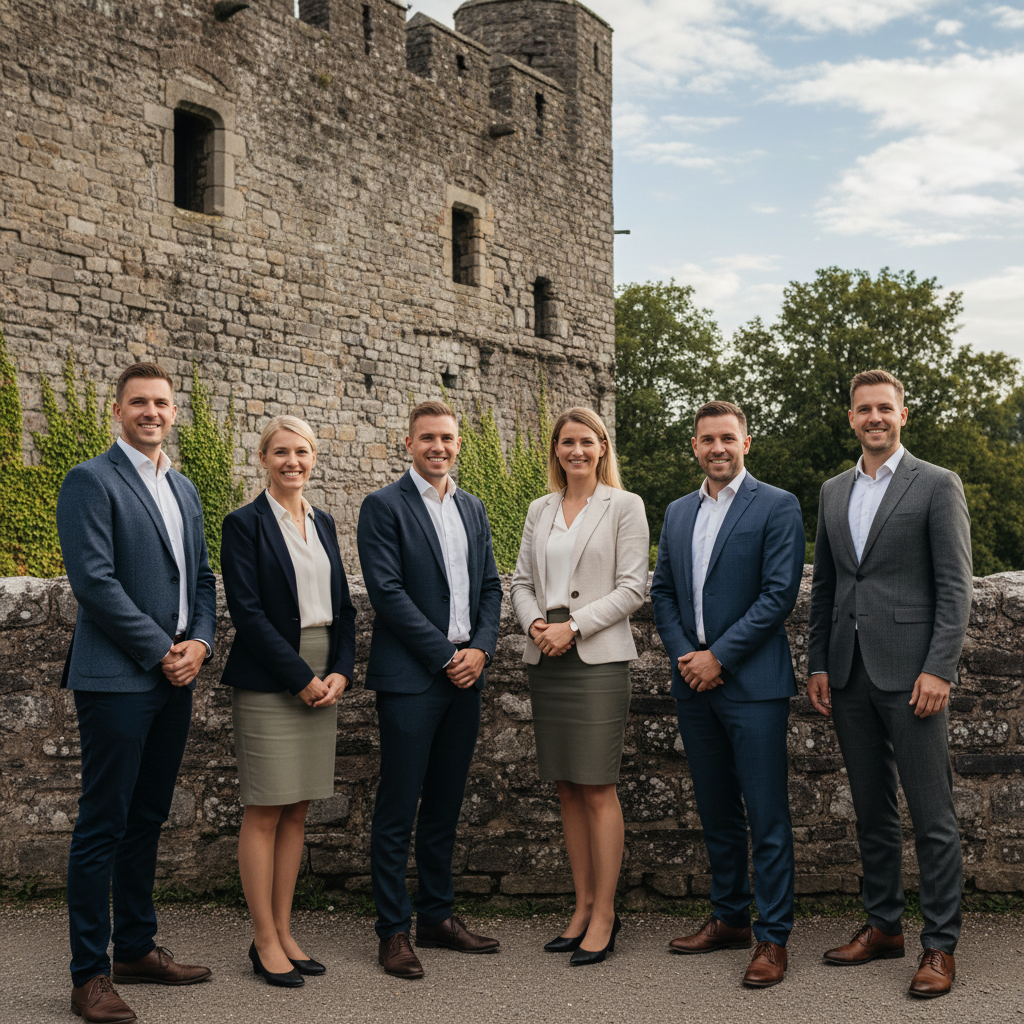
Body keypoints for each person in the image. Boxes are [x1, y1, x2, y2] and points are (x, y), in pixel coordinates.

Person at [56, 362, 216, 1024]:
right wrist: (159, 651)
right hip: (119, 677)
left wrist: (200, 644)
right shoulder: (91, 481)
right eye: (139, 402)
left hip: (177, 674)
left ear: (174, 413)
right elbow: (94, 582)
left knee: (147, 818)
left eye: (162, 403)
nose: (152, 411)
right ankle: (88, 974)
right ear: (117, 410)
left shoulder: (182, 488)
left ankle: (137, 948)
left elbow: (204, 580)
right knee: (104, 822)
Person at [808, 369, 972, 999]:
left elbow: (956, 587)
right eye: (863, 409)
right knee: (871, 810)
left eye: (885, 408)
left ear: (902, 414)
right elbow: (826, 586)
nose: (874, 417)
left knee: (933, 815)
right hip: (848, 672)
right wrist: (819, 662)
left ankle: (939, 946)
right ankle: (883, 927)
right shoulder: (831, 491)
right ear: (850, 417)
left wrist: (940, 668)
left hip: (914, 676)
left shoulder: (936, 485)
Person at [650, 400, 805, 989]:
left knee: (766, 815)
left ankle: (773, 937)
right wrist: (687, 657)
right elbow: (662, 591)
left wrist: (721, 656)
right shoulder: (678, 511)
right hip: (694, 683)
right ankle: (729, 917)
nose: (717, 448)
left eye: (727, 438)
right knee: (716, 811)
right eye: (706, 439)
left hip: (753, 684)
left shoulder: (777, 505)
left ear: (746, 443)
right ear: (694, 445)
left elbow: (777, 594)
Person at [356, 400, 503, 979]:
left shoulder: (472, 507)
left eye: (446, 438)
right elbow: (388, 594)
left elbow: (491, 587)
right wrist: (446, 657)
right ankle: (393, 931)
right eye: (427, 438)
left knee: (445, 803)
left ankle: (437, 918)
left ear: (457, 444)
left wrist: (481, 651)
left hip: (467, 675)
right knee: (398, 807)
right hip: (413, 679)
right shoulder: (383, 506)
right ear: (409, 443)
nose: (437, 447)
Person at [220, 415, 356, 988]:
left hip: (323, 668)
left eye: (301, 451)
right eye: (281, 452)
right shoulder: (243, 524)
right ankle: (262, 938)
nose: (292, 461)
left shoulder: (324, 522)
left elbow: (345, 607)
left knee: (298, 807)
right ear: (263, 459)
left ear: (314, 457)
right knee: (265, 807)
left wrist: (341, 672)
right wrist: (299, 675)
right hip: (272, 673)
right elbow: (247, 613)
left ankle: (285, 927)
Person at [510, 407, 649, 966]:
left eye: (586, 442)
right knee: (566, 786)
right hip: (548, 658)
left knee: (597, 787)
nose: (577, 451)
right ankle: (581, 905)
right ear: (556, 450)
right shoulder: (539, 508)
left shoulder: (626, 506)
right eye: (567, 443)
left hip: (596, 658)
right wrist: (537, 625)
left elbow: (633, 587)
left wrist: (575, 626)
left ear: (602, 448)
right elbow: (520, 582)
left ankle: (606, 914)